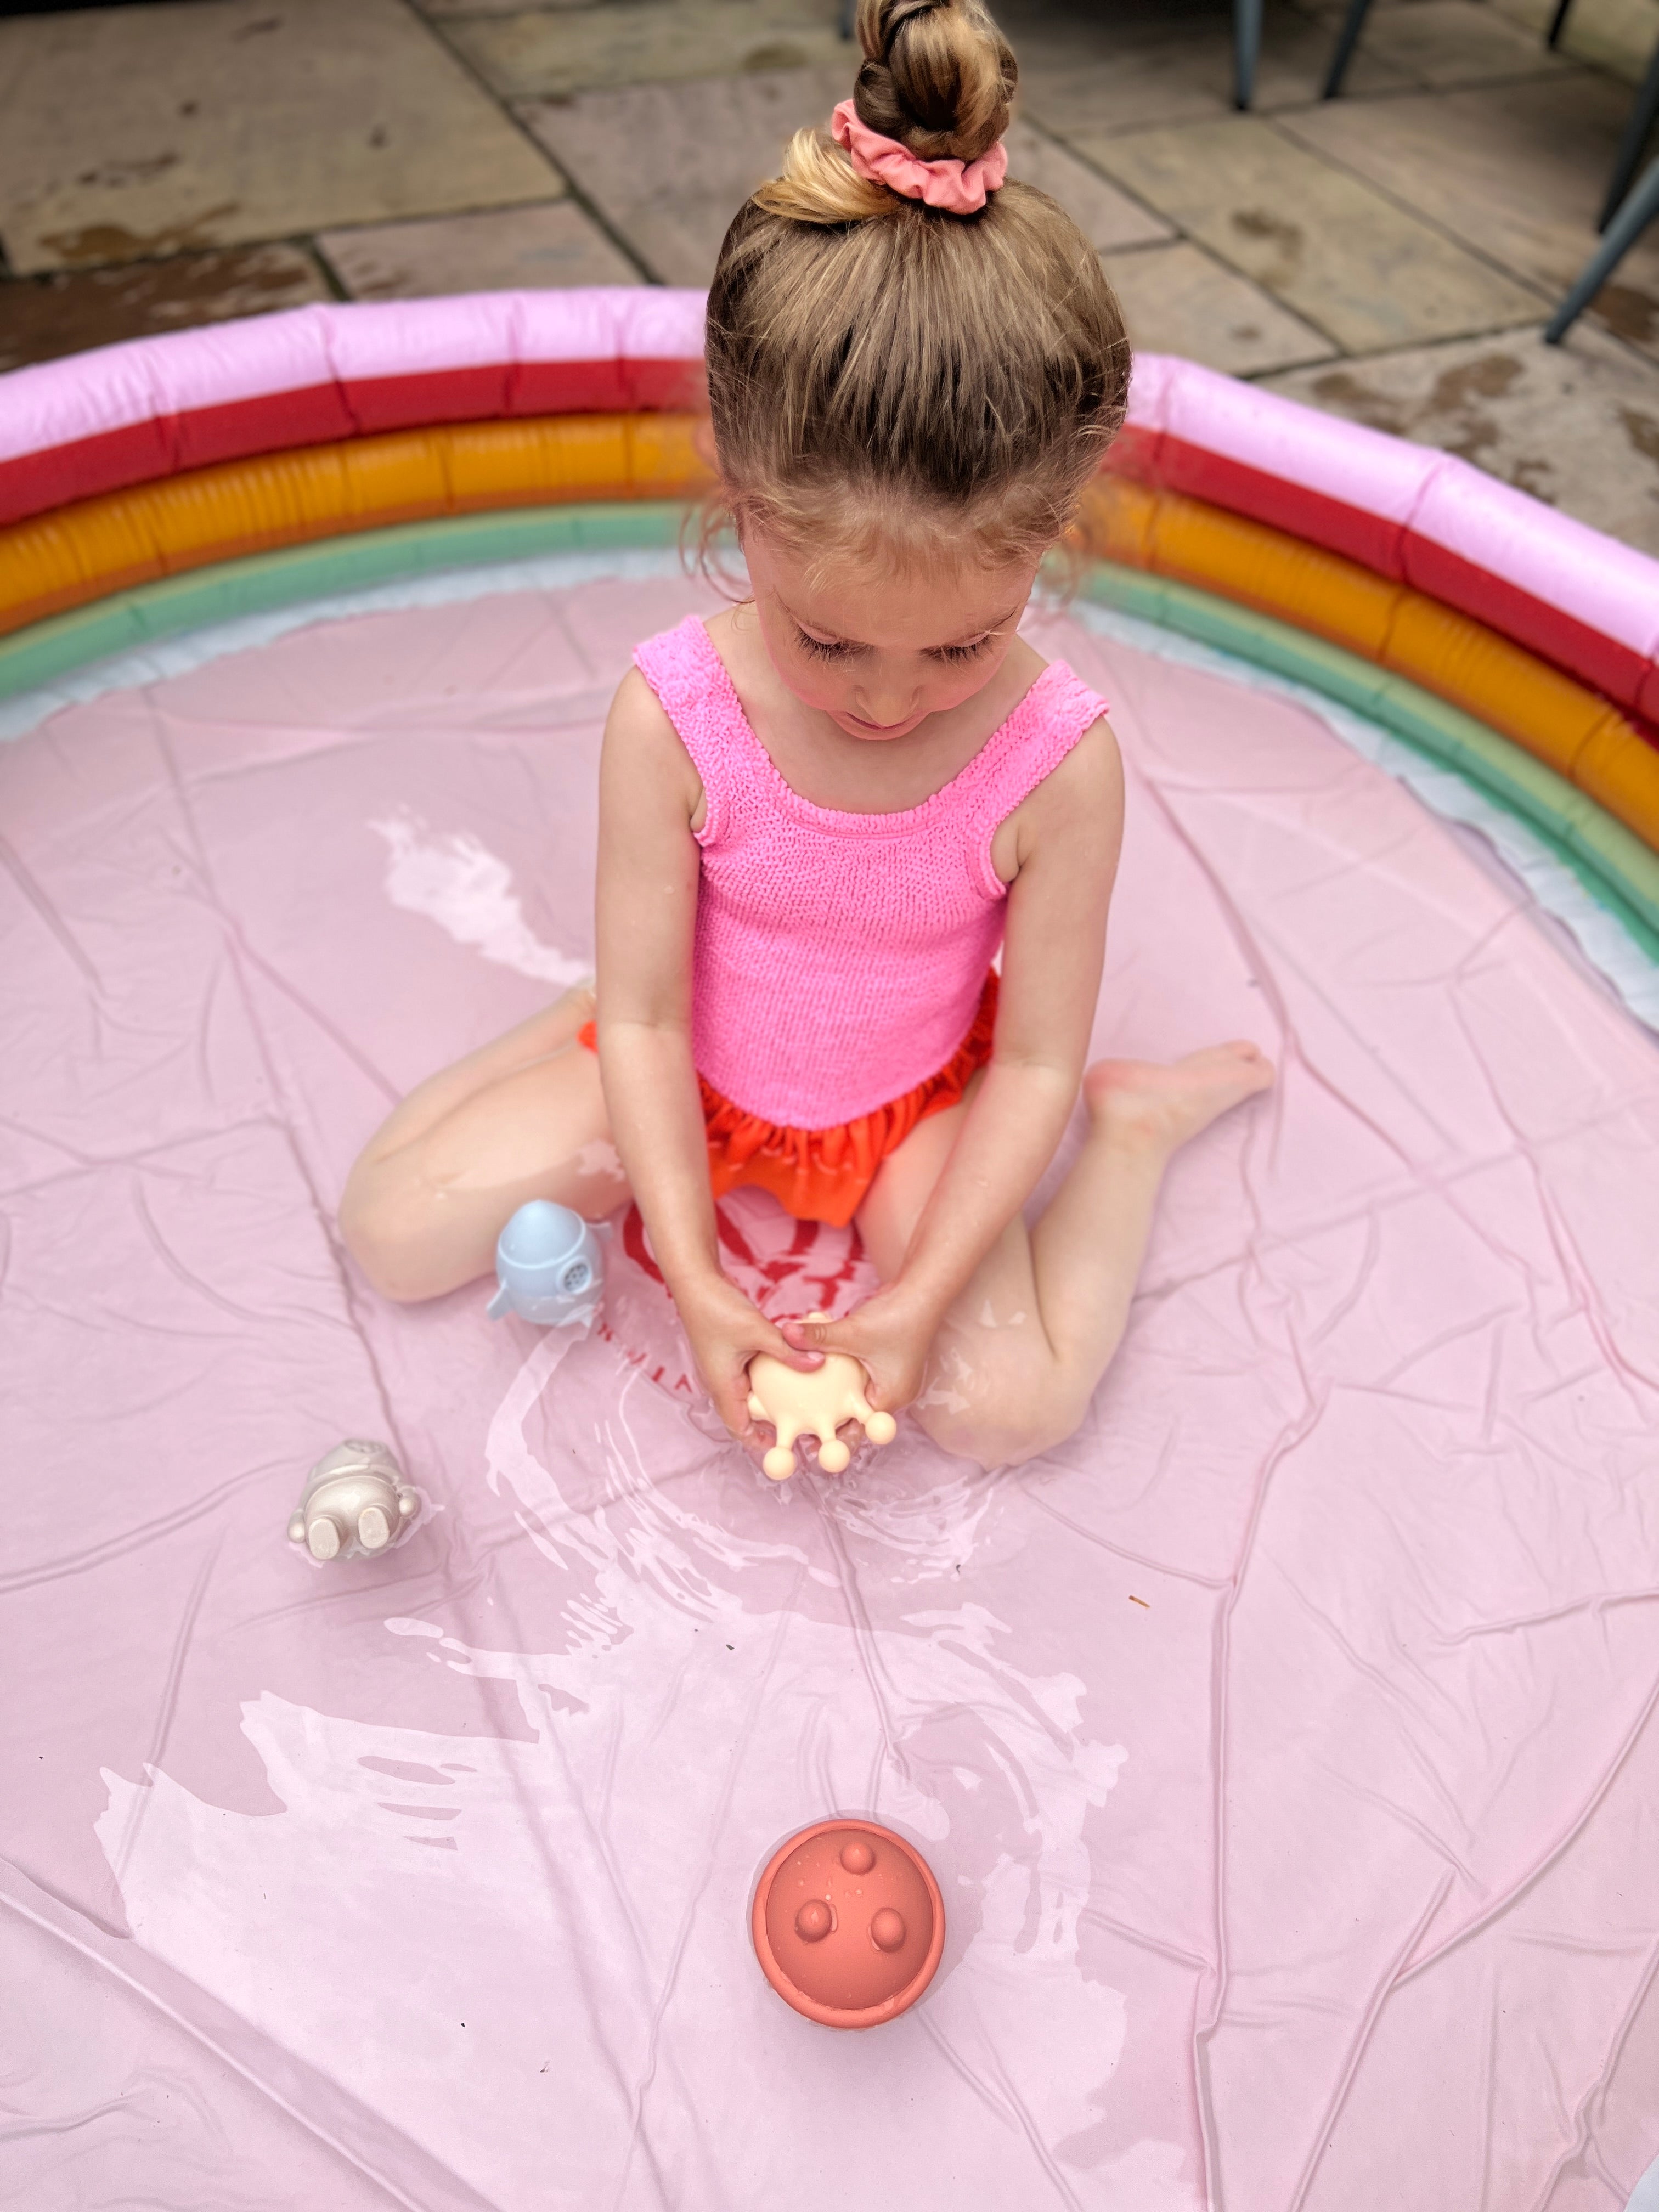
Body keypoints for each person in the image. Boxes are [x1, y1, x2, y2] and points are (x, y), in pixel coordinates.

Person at [340, 0, 1273, 1471]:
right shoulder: (678, 718)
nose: (890, 700)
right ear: (736, 501)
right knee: (396, 1235)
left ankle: (1142, 1138)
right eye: (826, 639)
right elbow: (650, 1028)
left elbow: (1030, 1067)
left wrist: (915, 1299)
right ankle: (604, 959)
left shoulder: (1059, 762)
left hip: (906, 1109)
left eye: (961, 645)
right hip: (691, 1060)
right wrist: (697, 1273)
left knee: (1012, 1410)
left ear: (1055, 543)